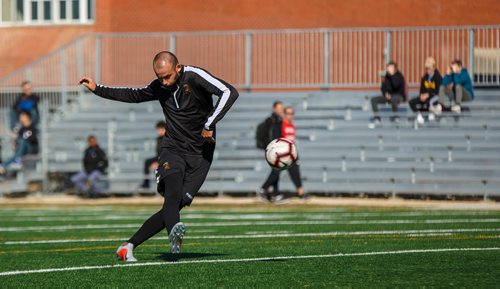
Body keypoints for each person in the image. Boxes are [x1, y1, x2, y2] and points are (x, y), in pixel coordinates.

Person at [78, 51, 239, 261]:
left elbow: (229, 92)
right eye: (159, 77)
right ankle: (174, 230)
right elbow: (133, 95)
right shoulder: (159, 86)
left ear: (178, 68)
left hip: (201, 153)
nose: (163, 82)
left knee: (175, 204)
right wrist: (98, 89)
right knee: (172, 192)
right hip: (173, 148)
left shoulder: (194, 76)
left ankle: (128, 246)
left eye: (167, 76)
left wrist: (209, 123)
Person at [262, 106, 306, 202]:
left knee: (295, 172)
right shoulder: (280, 125)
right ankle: (264, 190)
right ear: (284, 114)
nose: (290, 116)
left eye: (291, 113)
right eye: (288, 113)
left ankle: (301, 193)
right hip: (281, 154)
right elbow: (277, 141)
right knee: (275, 173)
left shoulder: (292, 126)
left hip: (291, 153)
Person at [257, 101, 284, 202]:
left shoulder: (279, 121)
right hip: (273, 150)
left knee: (277, 170)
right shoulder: (270, 120)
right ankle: (263, 189)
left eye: (282, 108)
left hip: (278, 149)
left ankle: (275, 194)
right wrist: (269, 147)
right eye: (279, 108)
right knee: (277, 170)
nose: (281, 110)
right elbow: (263, 135)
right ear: (274, 108)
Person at [370, 61, 406, 126]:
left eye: (390, 68)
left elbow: (396, 86)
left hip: (398, 96)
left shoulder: (399, 76)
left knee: (394, 99)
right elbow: (383, 87)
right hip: (388, 96)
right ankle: (377, 118)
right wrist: (385, 94)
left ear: (394, 68)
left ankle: (396, 116)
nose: (388, 69)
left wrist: (392, 76)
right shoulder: (386, 76)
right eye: (388, 67)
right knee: (373, 100)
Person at [409, 57, 442, 124]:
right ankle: (418, 115)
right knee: (411, 102)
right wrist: (422, 95)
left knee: (429, 102)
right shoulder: (424, 78)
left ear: (433, 67)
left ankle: (431, 115)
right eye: (426, 69)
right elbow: (422, 89)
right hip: (426, 96)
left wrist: (428, 94)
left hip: (434, 96)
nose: (427, 71)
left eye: (429, 68)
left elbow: (437, 91)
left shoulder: (438, 77)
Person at [140, 121, 167, 189]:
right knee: (147, 162)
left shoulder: (168, 139)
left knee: (167, 166)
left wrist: (158, 163)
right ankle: (146, 183)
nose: (159, 131)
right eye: (158, 129)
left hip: (167, 159)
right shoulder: (158, 139)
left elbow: (167, 153)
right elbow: (158, 152)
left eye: (161, 129)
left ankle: (166, 184)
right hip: (159, 157)